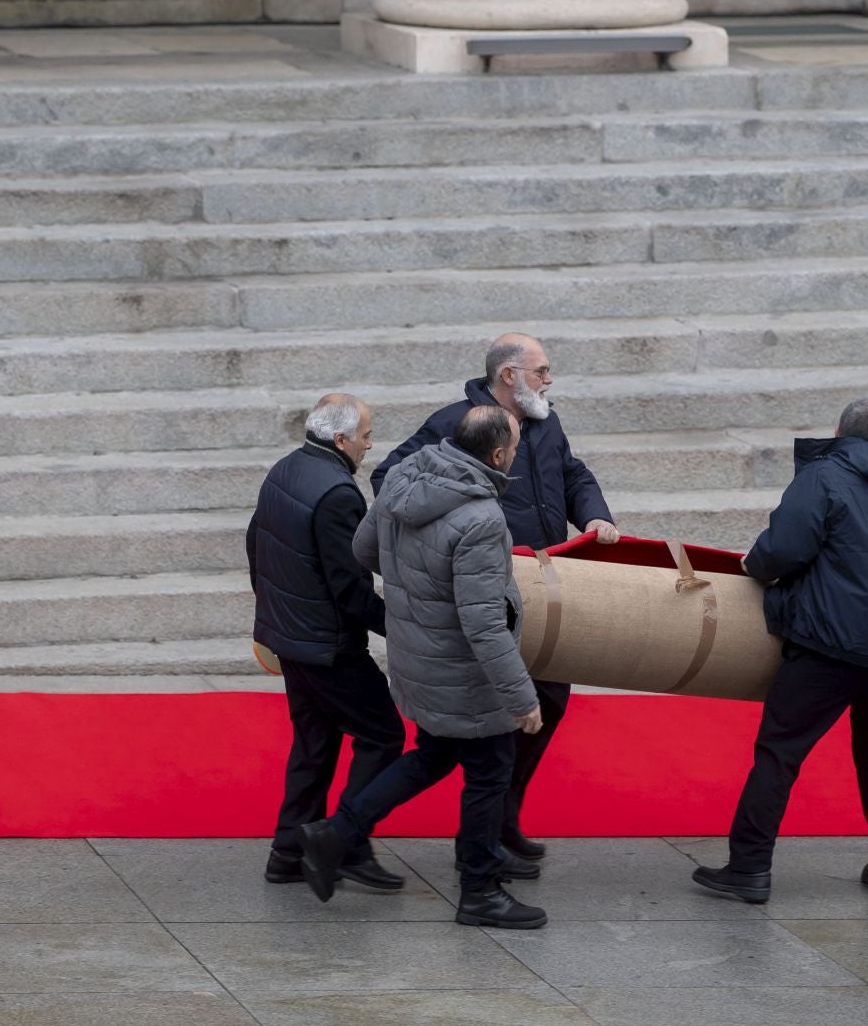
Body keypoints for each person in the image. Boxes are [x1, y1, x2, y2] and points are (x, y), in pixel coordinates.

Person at [297, 405, 549, 929]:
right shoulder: (481, 518)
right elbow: (483, 624)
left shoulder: (406, 477)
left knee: (432, 755)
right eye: (516, 448)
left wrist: (419, 587)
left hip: (418, 656)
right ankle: (479, 888)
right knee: (490, 771)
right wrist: (521, 697)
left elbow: (364, 550)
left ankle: (337, 833)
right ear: (498, 454)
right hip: (466, 673)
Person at [371, 333, 616, 862]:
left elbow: (572, 473)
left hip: (549, 590)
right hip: (489, 591)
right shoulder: (451, 423)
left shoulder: (545, 421)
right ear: (509, 376)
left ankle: (504, 819)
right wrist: (461, 528)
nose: (549, 380)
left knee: (548, 704)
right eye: (542, 371)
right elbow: (390, 479)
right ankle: (483, 843)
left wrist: (595, 514)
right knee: (500, 725)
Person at [692, 398, 868, 905]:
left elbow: (783, 549)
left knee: (779, 752)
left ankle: (749, 868)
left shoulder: (824, 477)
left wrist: (754, 565)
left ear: (838, 431)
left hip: (834, 642)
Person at [247, 393, 407, 892]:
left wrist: (273, 617)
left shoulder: (285, 468)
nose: (370, 445)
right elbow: (350, 589)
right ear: (339, 439)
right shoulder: (339, 493)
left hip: (292, 637)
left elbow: (256, 543)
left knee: (315, 743)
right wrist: (403, 628)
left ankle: (287, 852)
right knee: (383, 735)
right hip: (327, 645)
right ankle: (344, 842)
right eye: (365, 436)